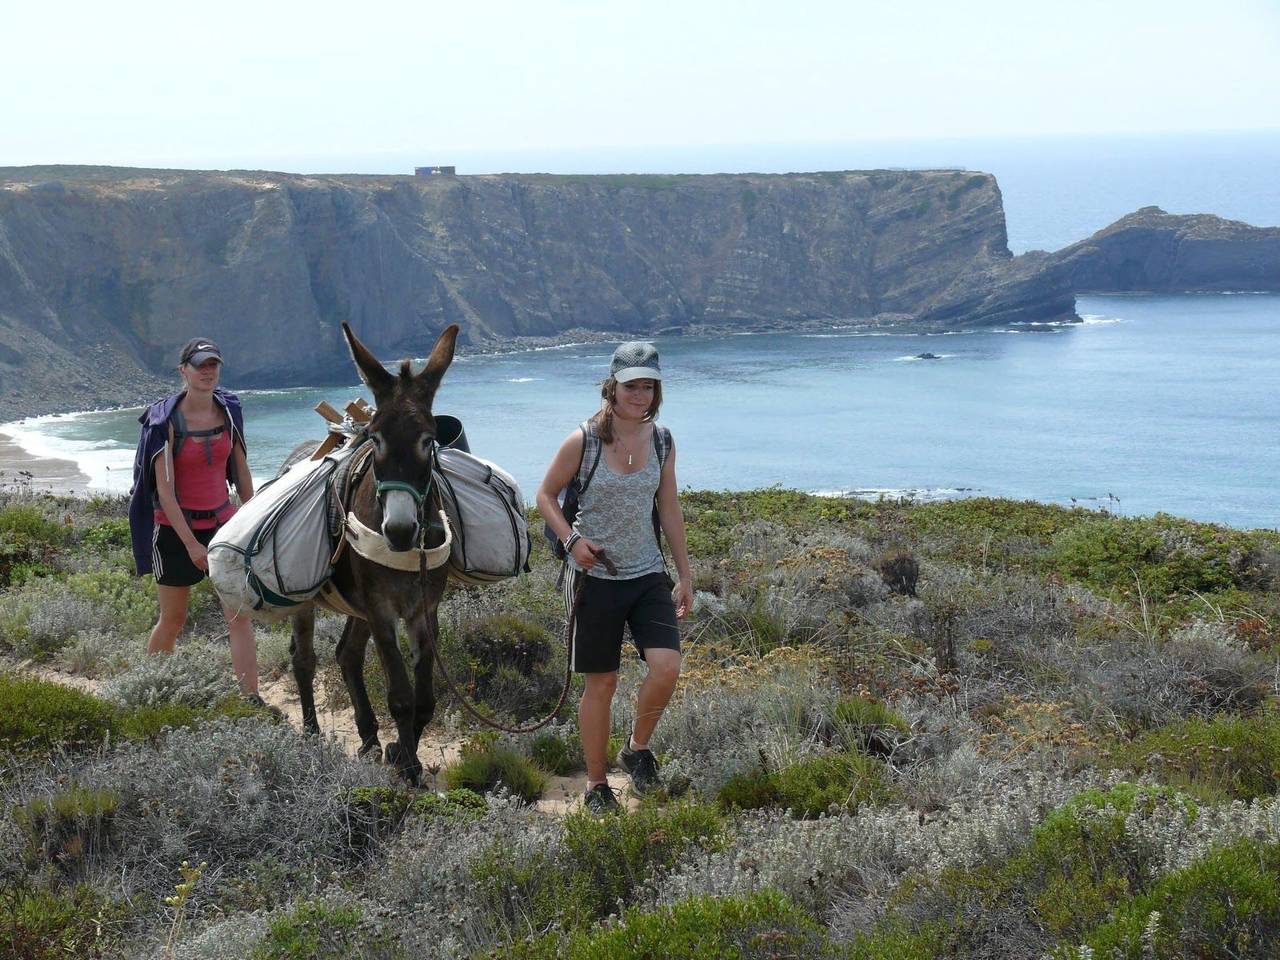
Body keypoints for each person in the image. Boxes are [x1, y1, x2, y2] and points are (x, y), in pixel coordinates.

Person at [536, 341, 694, 814]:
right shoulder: (582, 441)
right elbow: (545, 496)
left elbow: (669, 507)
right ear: (612, 387)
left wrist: (684, 574)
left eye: (649, 386)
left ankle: (636, 749)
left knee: (666, 667)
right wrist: (571, 541)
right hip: (595, 578)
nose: (640, 395)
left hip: (647, 574)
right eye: (631, 386)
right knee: (601, 684)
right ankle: (597, 786)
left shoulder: (662, 440)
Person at [128, 337, 263, 701]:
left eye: (213, 365)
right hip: (175, 533)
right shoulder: (165, 421)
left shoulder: (229, 411)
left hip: (224, 527)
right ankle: (148, 697)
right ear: (183, 371)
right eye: (200, 365)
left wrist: (252, 519)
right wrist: (191, 544)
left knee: (239, 617)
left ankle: (250, 699)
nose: (208, 371)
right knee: (173, 620)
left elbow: (241, 470)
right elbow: (165, 491)